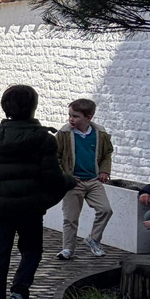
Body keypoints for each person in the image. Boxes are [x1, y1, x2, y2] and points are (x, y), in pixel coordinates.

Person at [0, 83, 74, 299]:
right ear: (33, 108)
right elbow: (52, 177)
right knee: (32, 250)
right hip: (30, 207)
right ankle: (19, 292)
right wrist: (69, 182)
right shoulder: (43, 139)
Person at [55, 99, 112, 260]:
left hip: (93, 181)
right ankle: (67, 249)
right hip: (74, 182)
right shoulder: (64, 134)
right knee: (70, 217)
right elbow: (56, 156)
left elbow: (107, 153)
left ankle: (93, 239)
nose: (71, 119)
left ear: (89, 117)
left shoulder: (100, 134)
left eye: (75, 116)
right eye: (70, 115)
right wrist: (66, 177)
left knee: (105, 210)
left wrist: (104, 170)